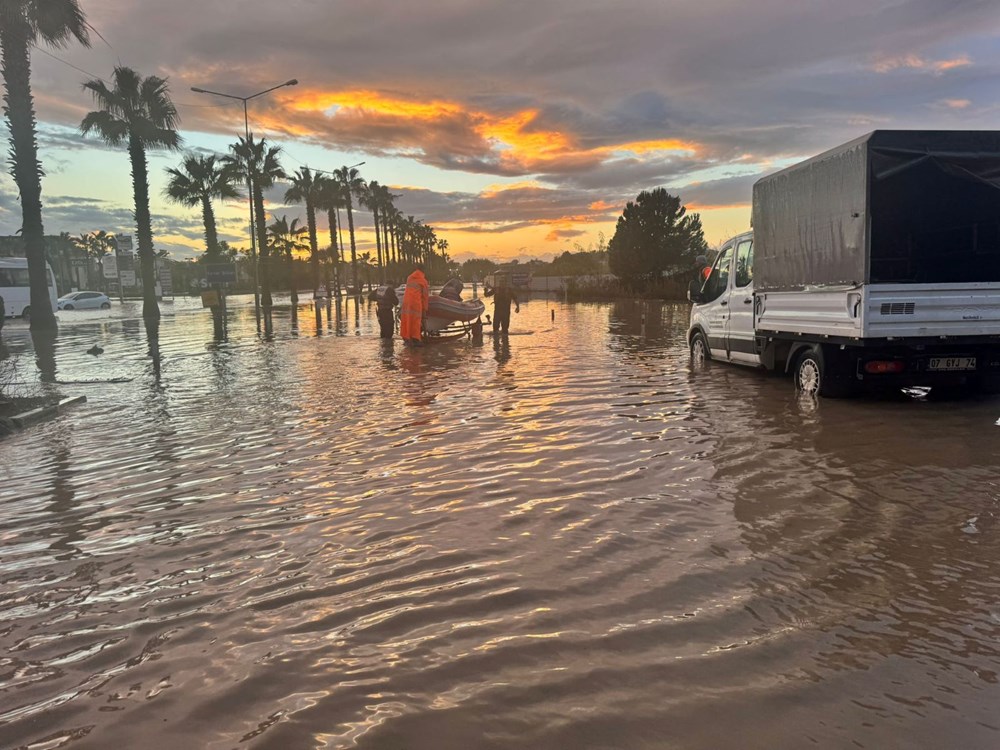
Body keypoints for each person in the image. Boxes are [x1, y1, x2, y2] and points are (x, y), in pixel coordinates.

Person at [400, 265, 429, 345]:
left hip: (406, 302)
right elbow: (425, 296)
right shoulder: (423, 281)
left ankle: (407, 337)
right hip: (416, 303)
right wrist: (425, 309)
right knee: (416, 321)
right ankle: (416, 338)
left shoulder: (409, 278)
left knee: (407, 320)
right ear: (424, 271)